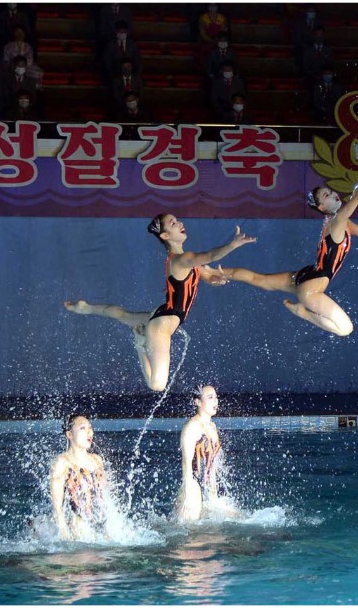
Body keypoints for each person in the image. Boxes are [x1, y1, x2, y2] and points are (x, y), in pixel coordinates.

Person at [220, 154, 358, 337]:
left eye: (330, 191)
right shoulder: (337, 220)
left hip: (306, 275)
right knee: (345, 329)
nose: (333, 194)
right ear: (322, 207)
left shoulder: (339, 222)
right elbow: (357, 197)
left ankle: (213, 270)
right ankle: (303, 313)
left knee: (260, 279)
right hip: (311, 287)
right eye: (326, 196)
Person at [64, 216, 255, 392]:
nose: (180, 223)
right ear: (165, 236)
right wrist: (232, 245)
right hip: (163, 324)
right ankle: (139, 343)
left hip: (164, 315)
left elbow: (204, 274)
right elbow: (211, 255)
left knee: (125, 316)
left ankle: (87, 308)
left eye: (177, 220)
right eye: (173, 223)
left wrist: (214, 279)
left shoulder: (187, 261)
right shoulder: (181, 259)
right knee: (157, 384)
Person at [174, 385, 238, 523]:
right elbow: (186, 463)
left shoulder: (212, 427)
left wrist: (213, 494)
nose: (215, 401)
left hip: (206, 489)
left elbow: (211, 465)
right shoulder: (192, 427)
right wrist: (188, 493)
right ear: (198, 402)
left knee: (237, 517)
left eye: (216, 397)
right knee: (187, 530)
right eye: (210, 397)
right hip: (192, 488)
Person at [49, 414, 111, 541]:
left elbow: (106, 498)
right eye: (83, 428)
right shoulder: (62, 463)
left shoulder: (97, 460)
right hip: (77, 526)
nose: (89, 432)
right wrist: (64, 533)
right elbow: (57, 507)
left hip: (99, 523)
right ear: (69, 434)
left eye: (90, 428)